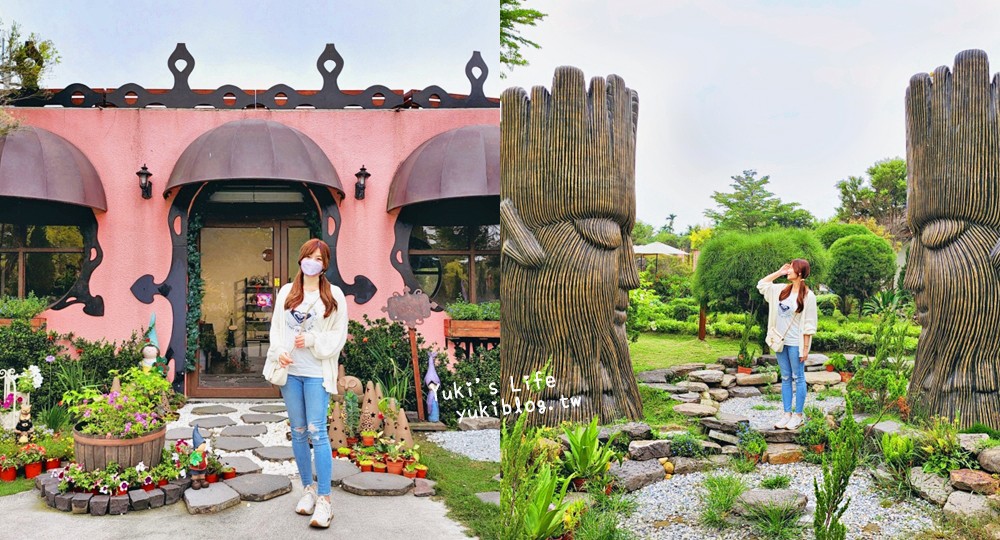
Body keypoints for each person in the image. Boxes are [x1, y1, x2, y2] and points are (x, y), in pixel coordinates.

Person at [264, 238, 348, 528]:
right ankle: (308, 490)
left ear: (325, 265)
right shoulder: (287, 292)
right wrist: (280, 353)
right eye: (308, 256)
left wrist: (312, 339)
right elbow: (276, 329)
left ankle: (325, 500)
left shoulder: (334, 295)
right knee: (298, 432)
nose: (313, 262)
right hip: (291, 373)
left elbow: (339, 335)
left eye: (319, 258)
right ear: (300, 259)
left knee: (318, 432)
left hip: (315, 373)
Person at [757, 259, 818, 431]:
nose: (789, 270)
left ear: (800, 273)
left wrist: (805, 348)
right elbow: (762, 284)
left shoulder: (808, 296)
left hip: (796, 344)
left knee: (798, 377)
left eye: (792, 268)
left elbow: (809, 325)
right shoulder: (781, 290)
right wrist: (779, 272)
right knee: (785, 378)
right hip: (780, 342)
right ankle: (786, 414)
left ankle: (798, 415)